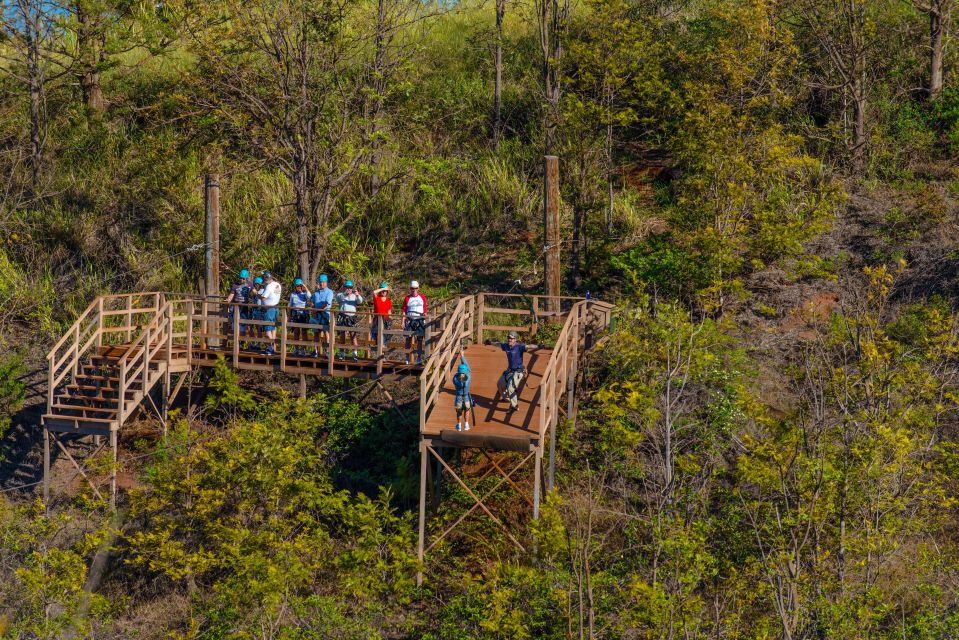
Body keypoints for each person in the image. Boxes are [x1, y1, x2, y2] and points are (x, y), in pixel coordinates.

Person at [491, 331, 539, 412]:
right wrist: (490, 342)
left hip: (518, 371)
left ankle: (514, 406)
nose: (509, 340)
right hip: (510, 370)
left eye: (511, 338)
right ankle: (507, 398)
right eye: (509, 338)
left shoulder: (519, 347)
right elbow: (498, 344)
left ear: (515, 339)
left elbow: (529, 346)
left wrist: (538, 346)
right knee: (500, 384)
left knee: (511, 387)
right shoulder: (506, 346)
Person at [335, 280, 364, 361]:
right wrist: (345, 294)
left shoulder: (354, 296)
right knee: (342, 337)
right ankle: (341, 355)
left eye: (350, 288)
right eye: (347, 287)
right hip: (342, 317)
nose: (349, 289)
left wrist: (358, 295)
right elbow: (339, 298)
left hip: (352, 318)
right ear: (344, 287)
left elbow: (360, 301)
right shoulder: (340, 295)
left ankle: (355, 355)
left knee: (353, 336)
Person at [256, 271, 282, 356]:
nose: (263, 280)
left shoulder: (269, 287)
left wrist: (256, 293)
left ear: (266, 279)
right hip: (276, 308)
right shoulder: (277, 284)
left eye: (264, 279)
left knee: (267, 331)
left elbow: (263, 298)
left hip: (269, 309)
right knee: (273, 329)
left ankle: (270, 349)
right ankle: (272, 348)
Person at [224, 269, 251, 347]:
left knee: (242, 326)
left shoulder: (249, 285)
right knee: (234, 325)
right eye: (240, 278)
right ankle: (236, 343)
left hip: (244, 308)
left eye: (243, 278)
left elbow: (254, 291)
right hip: (236, 307)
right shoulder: (235, 285)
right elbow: (232, 294)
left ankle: (241, 343)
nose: (241, 280)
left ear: (246, 279)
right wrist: (228, 300)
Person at [310, 274, 335, 358]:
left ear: (326, 282)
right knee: (316, 333)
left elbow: (326, 303)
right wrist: (313, 311)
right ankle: (316, 351)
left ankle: (328, 351)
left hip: (325, 315)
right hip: (316, 315)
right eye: (320, 282)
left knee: (326, 332)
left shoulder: (329, 292)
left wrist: (317, 311)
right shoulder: (316, 292)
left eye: (323, 282)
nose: (322, 284)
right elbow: (312, 302)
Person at [403, 280, 427, 364]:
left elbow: (425, 310)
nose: (414, 290)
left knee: (419, 339)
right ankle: (406, 357)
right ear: (410, 289)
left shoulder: (422, 297)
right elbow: (404, 311)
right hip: (410, 319)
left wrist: (424, 319)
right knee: (408, 339)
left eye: (415, 288)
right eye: (412, 288)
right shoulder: (407, 298)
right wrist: (402, 322)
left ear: (418, 288)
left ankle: (419, 358)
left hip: (419, 319)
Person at [288, 277, 311, 356]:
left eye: (300, 286)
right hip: (295, 314)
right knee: (296, 332)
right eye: (297, 286)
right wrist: (289, 317)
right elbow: (290, 306)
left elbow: (309, 296)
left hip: (303, 314)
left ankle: (304, 349)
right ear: (295, 286)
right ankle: (296, 349)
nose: (299, 287)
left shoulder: (304, 294)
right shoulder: (293, 295)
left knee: (304, 332)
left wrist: (305, 286)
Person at [453, 350, 472, 431]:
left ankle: (459, 425)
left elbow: (457, 375)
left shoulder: (455, 379)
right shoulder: (469, 377)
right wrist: (462, 356)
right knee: (467, 410)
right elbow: (467, 367)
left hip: (459, 397)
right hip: (467, 397)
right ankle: (466, 424)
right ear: (465, 371)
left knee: (459, 412)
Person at [371, 281, 392, 351]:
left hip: (386, 320)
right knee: (378, 338)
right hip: (377, 320)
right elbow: (374, 292)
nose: (384, 292)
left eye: (385, 291)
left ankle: (382, 356)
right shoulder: (377, 299)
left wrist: (391, 320)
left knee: (385, 338)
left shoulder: (389, 300)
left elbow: (389, 312)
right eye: (382, 291)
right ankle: (380, 357)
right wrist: (382, 288)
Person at [248, 276, 264, 349]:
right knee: (250, 327)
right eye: (255, 284)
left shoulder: (263, 290)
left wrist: (256, 293)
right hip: (253, 310)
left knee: (259, 327)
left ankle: (258, 344)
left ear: (260, 285)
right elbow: (250, 296)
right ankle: (252, 343)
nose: (257, 285)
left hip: (259, 310)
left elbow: (261, 298)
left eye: (258, 284)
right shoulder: (252, 290)